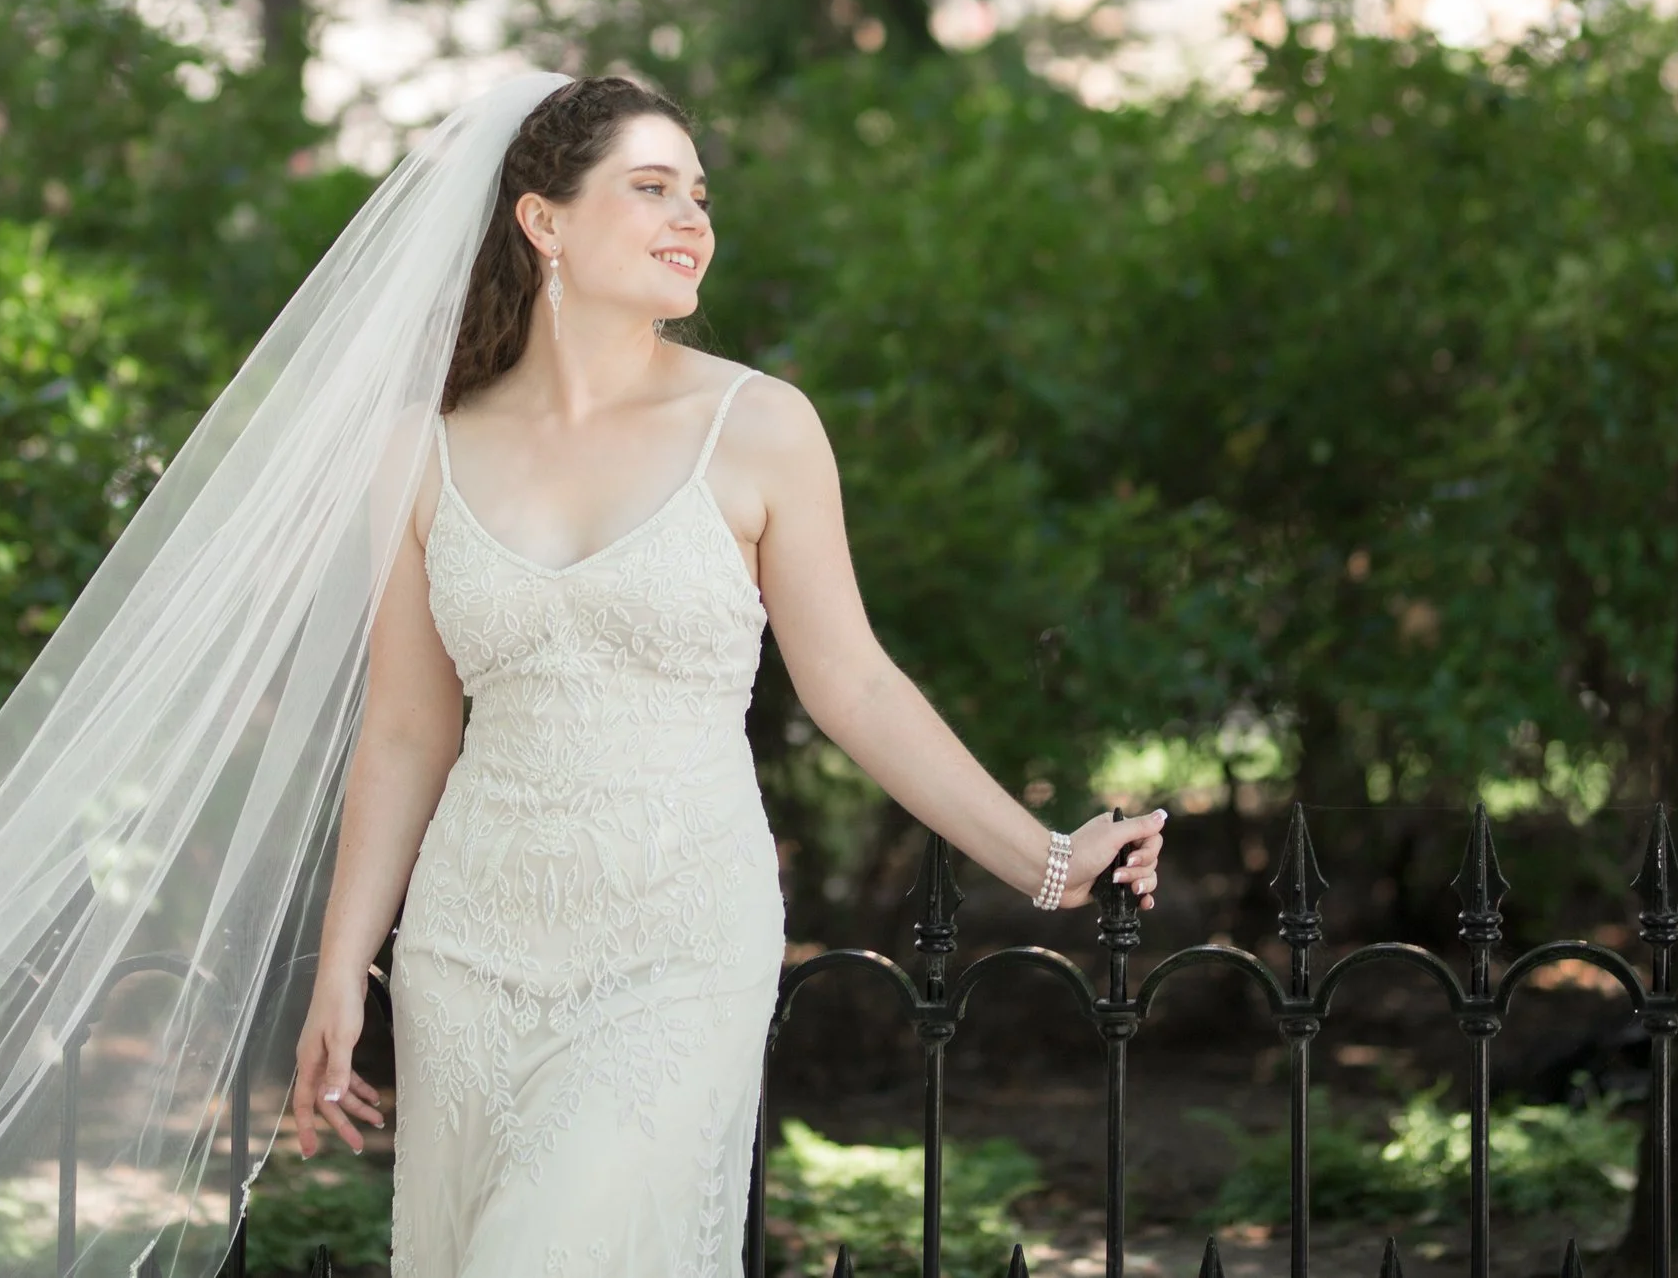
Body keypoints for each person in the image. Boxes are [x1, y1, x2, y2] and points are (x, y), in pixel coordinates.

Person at [280, 75, 1166, 1275]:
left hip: (672, 943)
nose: (691, 218)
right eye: (650, 189)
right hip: (469, 953)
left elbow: (852, 684)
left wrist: (1048, 862)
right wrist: (345, 966)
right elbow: (401, 731)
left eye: (698, 194)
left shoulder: (760, 427)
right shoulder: (421, 451)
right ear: (543, 221)